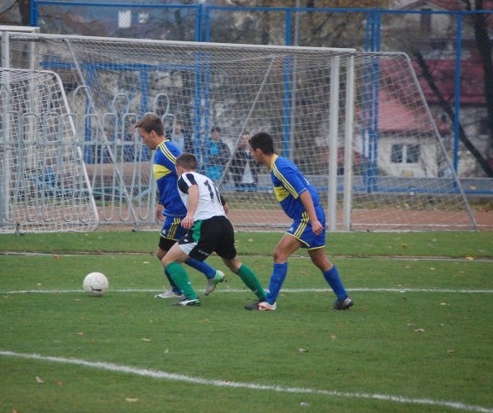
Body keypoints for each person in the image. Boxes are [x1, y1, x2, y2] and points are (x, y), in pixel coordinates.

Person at [245, 132, 354, 311]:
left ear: (258, 151)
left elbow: (303, 192)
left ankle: (269, 302)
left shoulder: (281, 169)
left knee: (279, 253)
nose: (250, 154)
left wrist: (313, 220)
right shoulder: (280, 165)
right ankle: (343, 298)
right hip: (313, 214)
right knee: (319, 259)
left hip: (307, 216)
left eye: (251, 151)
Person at [135, 114, 225, 299]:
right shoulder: (161, 152)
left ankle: (183, 288)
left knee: (164, 254)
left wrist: (217, 200)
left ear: (152, 133)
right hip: (172, 209)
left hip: (178, 213)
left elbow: (191, 177)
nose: (142, 141)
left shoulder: (167, 151)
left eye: (143, 136)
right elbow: (169, 180)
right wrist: (161, 202)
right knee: (175, 252)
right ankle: (207, 276)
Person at [160, 152, 268, 306]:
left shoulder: (185, 177)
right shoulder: (208, 180)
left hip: (205, 225)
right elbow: (225, 207)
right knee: (235, 264)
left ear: (180, 168)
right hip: (224, 224)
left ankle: (190, 297)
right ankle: (264, 298)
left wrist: (190, 215)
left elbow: (193, 190)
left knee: (168, 259)